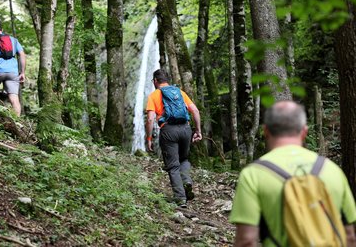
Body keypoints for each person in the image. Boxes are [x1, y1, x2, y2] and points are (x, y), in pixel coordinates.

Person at [230, 101, 356, 246]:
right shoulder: (332, 170)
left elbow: (246, 240)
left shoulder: (253, 174)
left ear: (265, 131)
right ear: (304, 132)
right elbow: (350, 236)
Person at [146, 69, 202, 208]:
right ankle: (187, 182)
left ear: (155, 81)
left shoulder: (154, 95)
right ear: (167, 80)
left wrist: (148, 138)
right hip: (185, 129)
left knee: (172, 165)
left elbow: (150, 118)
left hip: (168, 130)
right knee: (183, 158)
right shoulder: (180, 93)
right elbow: (195, 110)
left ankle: (180, 198)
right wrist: (198, 131)